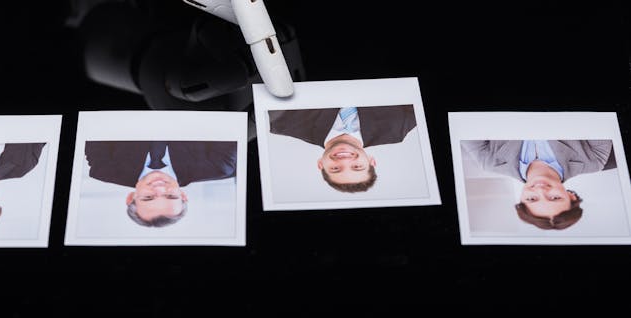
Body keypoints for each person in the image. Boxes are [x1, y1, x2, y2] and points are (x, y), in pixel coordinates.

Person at [461, 139, 616, 230]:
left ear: (521, 199)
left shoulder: (488, 161)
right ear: (571, 195)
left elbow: (466, 121)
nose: (541, 190)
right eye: (555, 198)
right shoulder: (594, 160)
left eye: (532, 199)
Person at [84, 140, 236, 227]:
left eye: (148, 197)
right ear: (182, 195)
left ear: (131, 197)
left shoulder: (104, 169)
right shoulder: (218, 167)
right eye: (170, 196)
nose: (160, 187)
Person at [268, 105, 417, 193]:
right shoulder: (398, 128)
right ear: (371, 162)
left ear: (321, 164)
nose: (345, 161)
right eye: (357, 167)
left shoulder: (282, 123)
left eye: (335, 169)